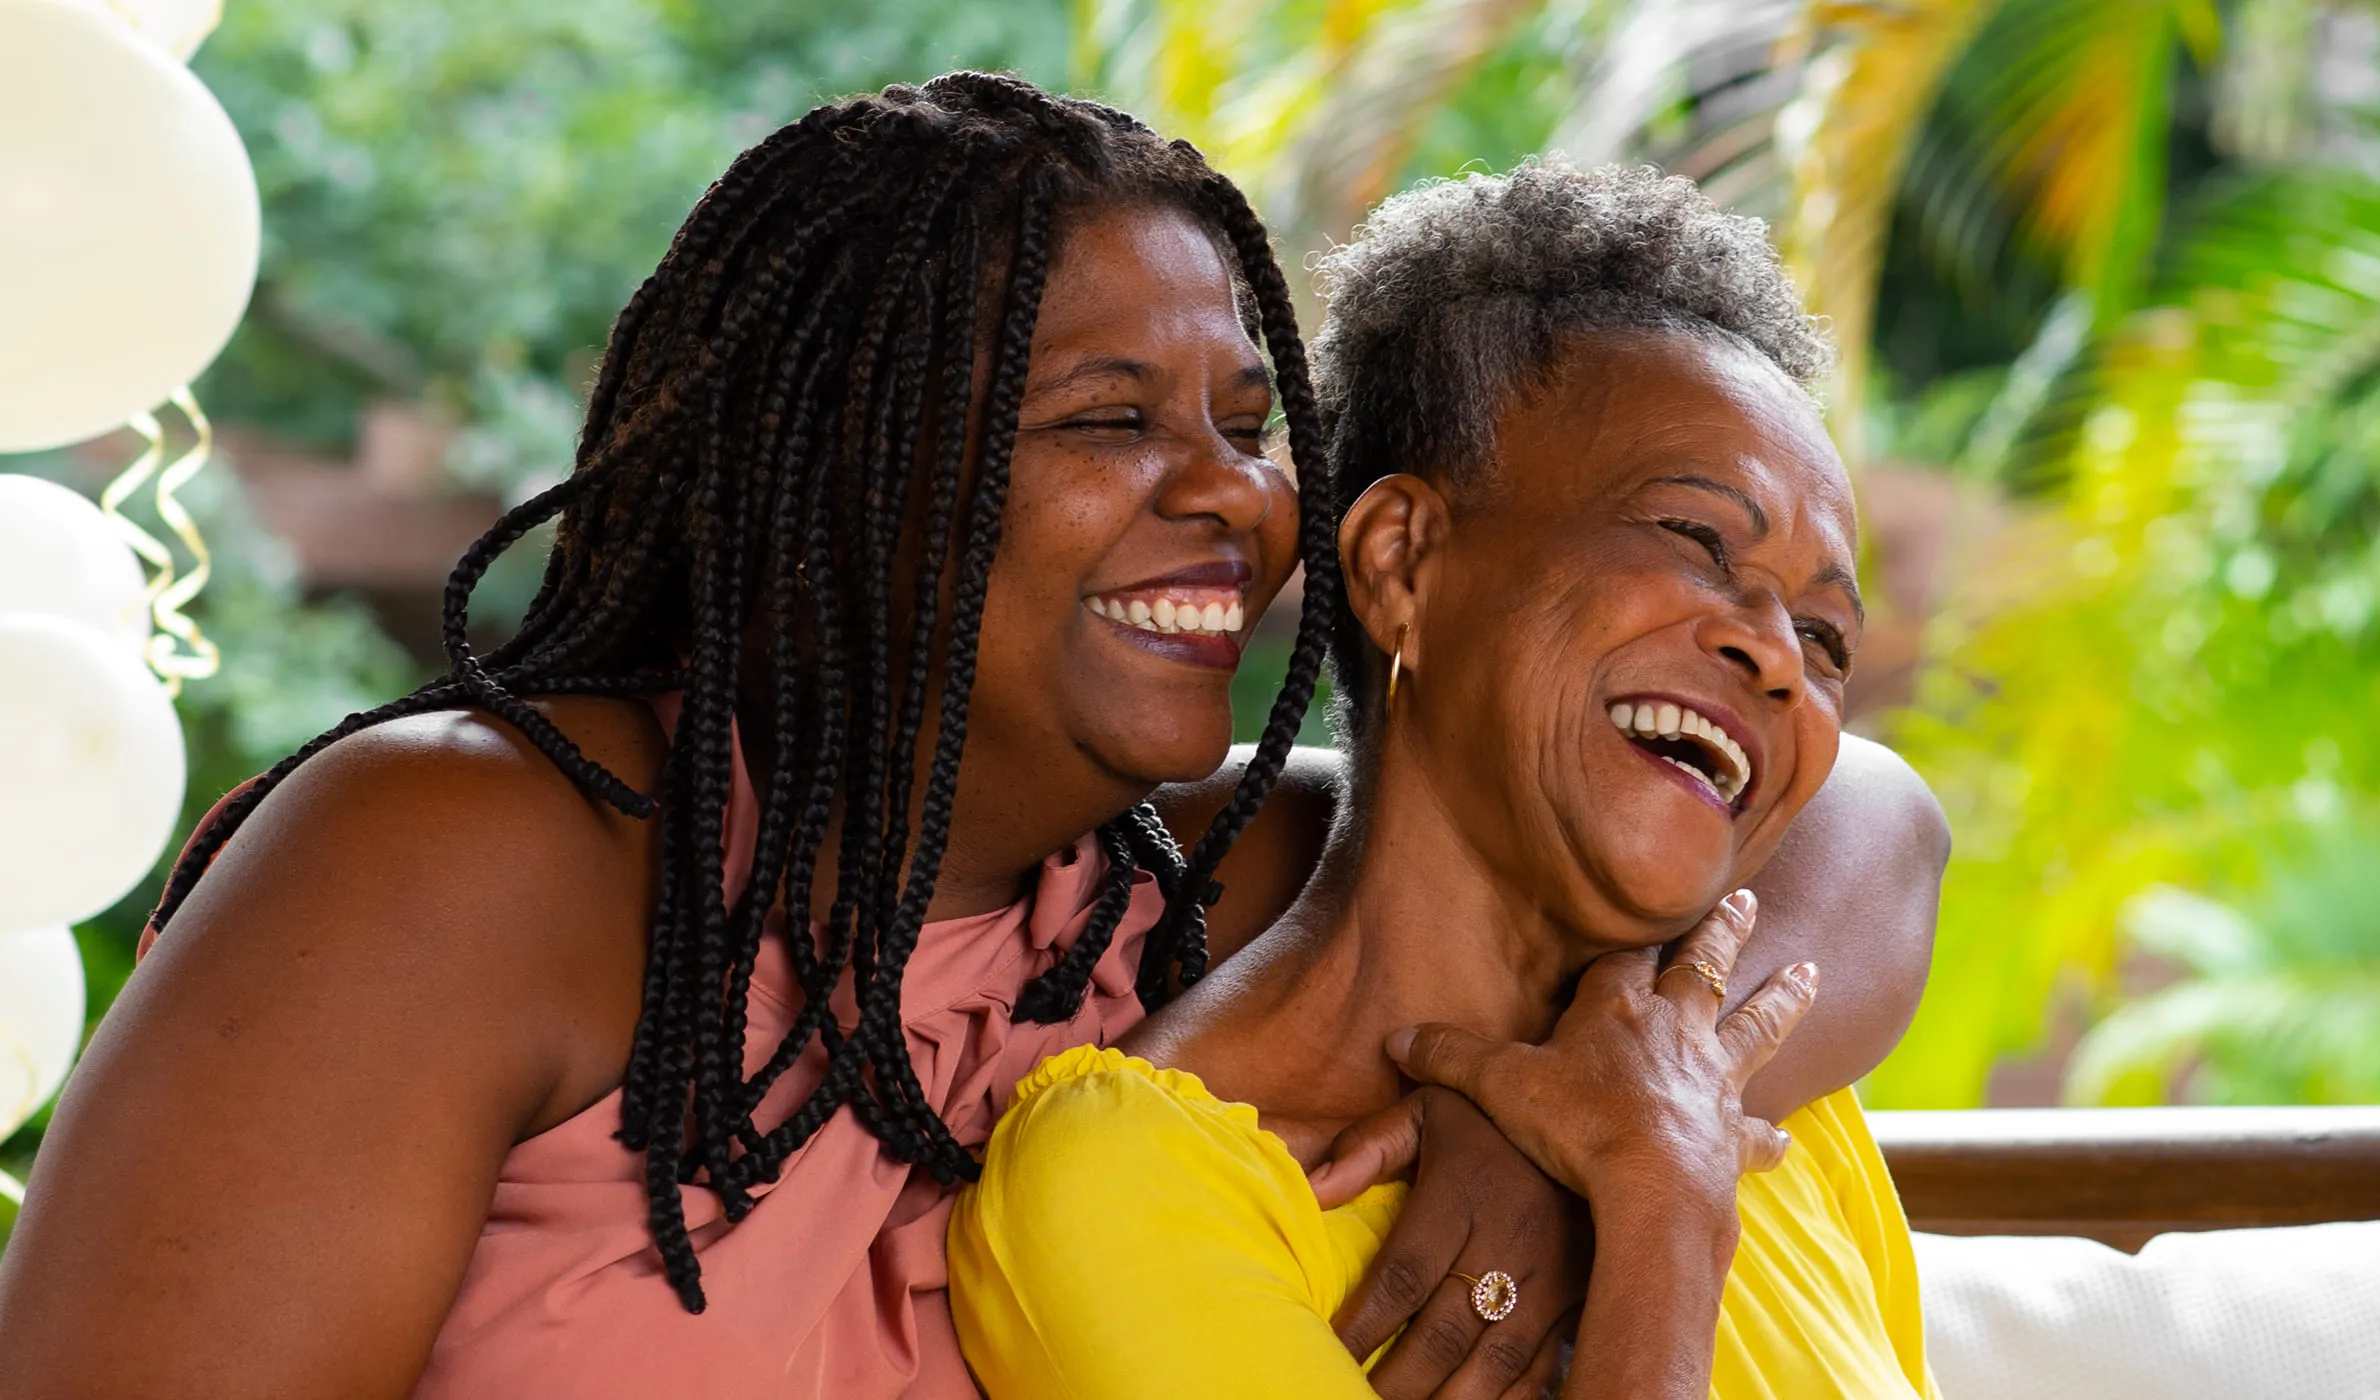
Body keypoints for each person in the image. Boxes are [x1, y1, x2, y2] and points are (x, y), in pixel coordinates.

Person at [0, 77, 1940, 1400]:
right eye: (1113, 422)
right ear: (847, 468)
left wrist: (1590, 1113)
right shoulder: (468, 859)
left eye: (1247, 426)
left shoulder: (1174, 892)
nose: (1235, 498)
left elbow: (1864, 818)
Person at [949, 160, 1944, 1399]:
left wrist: (1661, 1134)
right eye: (1693, 537)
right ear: (1403, 563)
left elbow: (1887, 805)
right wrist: (1660, 1212)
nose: (1779, 654)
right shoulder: (1132, 1185)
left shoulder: (1735, 1066)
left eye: (1827, 635)